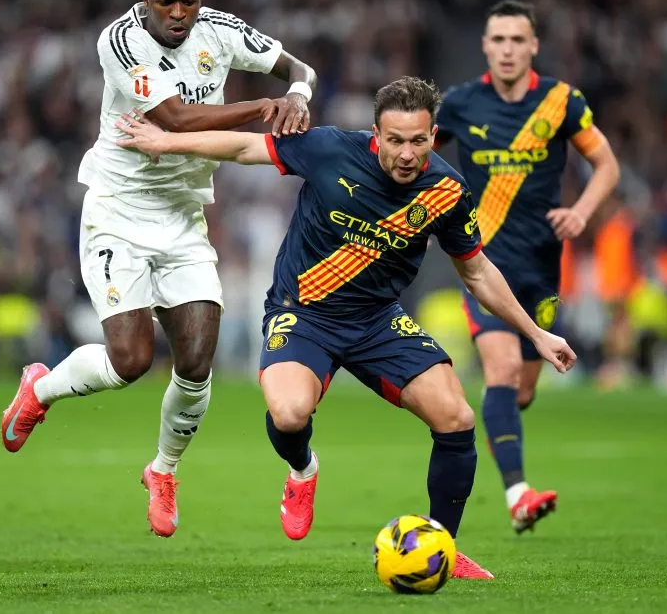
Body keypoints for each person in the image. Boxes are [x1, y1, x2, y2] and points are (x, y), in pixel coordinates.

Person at [114, 76, 577, 579]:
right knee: (289, 414)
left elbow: (478, 272)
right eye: (395, 140)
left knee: (457, 417)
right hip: (304, 312)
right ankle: (303, 469)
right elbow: (244, 147)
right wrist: (165, 141)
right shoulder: (330, 149)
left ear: (433, 135)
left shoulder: (447, 191)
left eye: (417, 141)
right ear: (376, 134)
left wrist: (537, 334)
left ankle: (442, 546)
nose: (406, 154)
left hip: (377, 320)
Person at [0, 0, 317, 538]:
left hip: (183, 217)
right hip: (118, 212)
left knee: (196, 361)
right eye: (166, 0)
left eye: (188, 1)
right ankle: (41, 387)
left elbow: (301, 69)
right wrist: (262, 107)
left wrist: (297, 94)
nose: (177, 12)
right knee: (131, 361)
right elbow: (175, 121)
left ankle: (163, 471)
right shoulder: (120, 41)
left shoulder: (221, 31)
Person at [435, 0, 620, 533]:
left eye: (518, 40)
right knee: (503, 370)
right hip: (483, 264)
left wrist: (581, 212)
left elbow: (606, 165)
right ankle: (518, 495)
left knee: (521, 391)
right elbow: (416, 154)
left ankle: (499, 417)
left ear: (534, 46)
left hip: (541, 266)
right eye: (498, 40)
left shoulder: (560, 102)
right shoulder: (462, 103)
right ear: (485, 46)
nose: (508, 50)